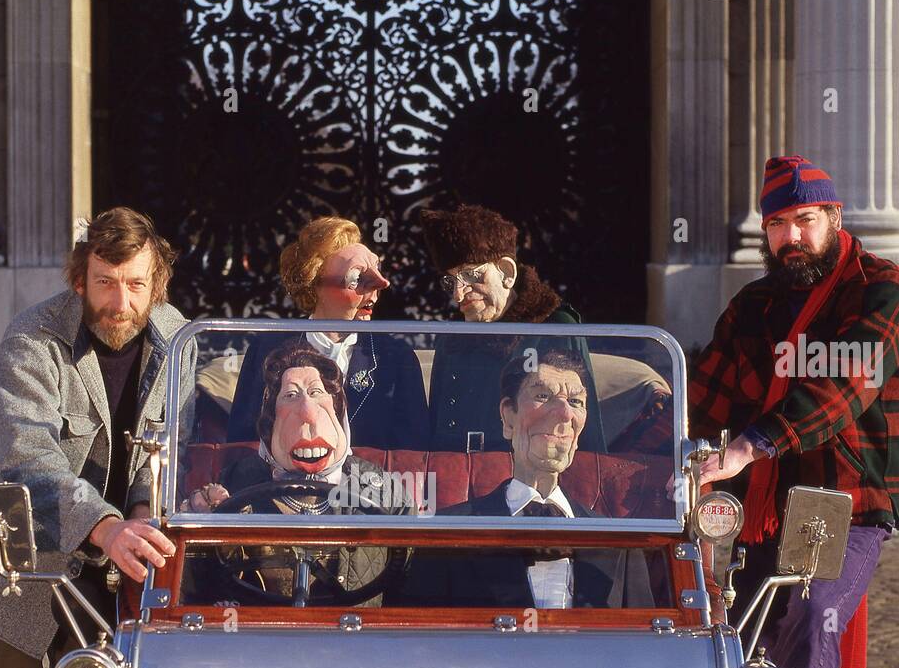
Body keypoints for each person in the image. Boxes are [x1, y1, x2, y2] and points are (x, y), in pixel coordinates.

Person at [690, 155, 899, 668]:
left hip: (845, 501)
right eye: (779, 223)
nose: (793, 236)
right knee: (735, 636)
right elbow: (704, 399)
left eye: (805, 220)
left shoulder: (882, 289)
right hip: (760, 499)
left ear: (834, 218)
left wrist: (747, 444)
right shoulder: (753, 306)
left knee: (812, 614)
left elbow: (843, 388)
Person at [0, 207, 187, 668]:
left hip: (107, 553)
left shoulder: (179, 343)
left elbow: (168, 446)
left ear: (157, 285)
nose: (120, 303)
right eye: (105, 282)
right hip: (11, 545)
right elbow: (27, 454)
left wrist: (145, 508)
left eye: (134, 284)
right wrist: (107, 527)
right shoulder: (30, 338)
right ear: (80, 279)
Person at [406, 350, 656, 609]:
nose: (564, 413)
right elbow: (419, 641)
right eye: (542, 396)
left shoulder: (618, 543)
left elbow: (646, 645)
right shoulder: (445, 535)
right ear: (508, 417)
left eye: (575, 401)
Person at [184, 342, 408, 602]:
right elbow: (198, 590)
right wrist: (199, 533)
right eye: (290, 396)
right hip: (264, 639)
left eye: (316, 393)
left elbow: (416, 592)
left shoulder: (380, 488)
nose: (307, 413)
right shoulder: (235, 482)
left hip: (358, 639)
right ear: (269, 423)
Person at [227, 216, 429, 450]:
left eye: (377, 272)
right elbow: (241, 443)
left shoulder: (394, 357)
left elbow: (414, 453)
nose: (376, 289)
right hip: (287, 485)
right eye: (356, 279)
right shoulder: (268, 350)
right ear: (315, 283)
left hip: (369, 484)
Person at [421, 203, 607, 453]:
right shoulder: (451, 338)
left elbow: (584, 426)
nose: (457, 294)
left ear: (507, 273)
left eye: (470, 276)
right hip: (455, 480)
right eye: (450, 281)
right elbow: (436, 432)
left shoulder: (555, 327)